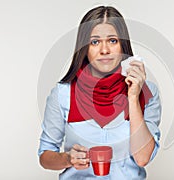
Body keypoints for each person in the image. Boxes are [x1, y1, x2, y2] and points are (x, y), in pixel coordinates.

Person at [38, 5, 161, 179]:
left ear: (122, 45)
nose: (104, 50)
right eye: (95, 42)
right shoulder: (63, 94)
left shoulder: (147, 93)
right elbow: (45, 156)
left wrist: (133, 97)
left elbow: (142, 158)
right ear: (84, 47)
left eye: (112, 40)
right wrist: (67, 158)